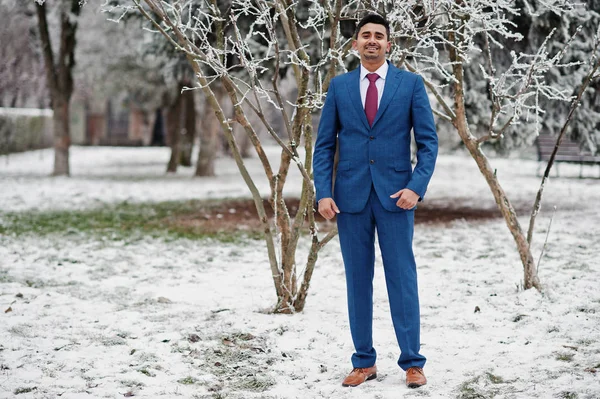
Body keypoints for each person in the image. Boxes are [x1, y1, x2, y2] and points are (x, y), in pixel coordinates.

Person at [313, 13, 438, 389]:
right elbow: (324, 145)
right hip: (350, 199)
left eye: (378, 36)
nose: (371, 40)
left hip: (396, 198)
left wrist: (416, 186)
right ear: (354, 44)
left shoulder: (410, 84)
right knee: (357, 281)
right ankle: (363, 361)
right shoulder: (339, 87)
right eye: (365, 35)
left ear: (389, 44)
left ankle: (412, 363)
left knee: (402, 279)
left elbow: (428, 143)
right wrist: (323, 191)